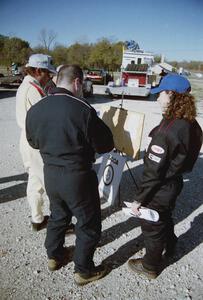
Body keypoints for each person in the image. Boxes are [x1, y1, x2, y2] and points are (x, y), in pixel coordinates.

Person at [26, 65, 114, 285]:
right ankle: (84, 270)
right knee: (88, 222)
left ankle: (54, 256)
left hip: (51, 173)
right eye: (82, 85)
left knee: (58, 215)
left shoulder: (37, 108)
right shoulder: (82, 108)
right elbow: (105, 145)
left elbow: (32, 141)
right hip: (77, 175)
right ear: (77, 83)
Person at [128, 74, 203, 279]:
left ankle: (150, 265)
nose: (158, 97)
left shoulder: (168, 130)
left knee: (152, 227)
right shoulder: (191, 122)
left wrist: (138, 200)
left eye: (160, 93)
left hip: (160, 187)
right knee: (164, 216)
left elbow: (153, 174)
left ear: (171, 94)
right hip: (174, 182)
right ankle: (171, 245)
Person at [16, 53, 56, 231]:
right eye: (48, 73)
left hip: (29, 140)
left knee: (35, 181)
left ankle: (37, 218)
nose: (50, 77)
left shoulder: (30, 86)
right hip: (36, 142)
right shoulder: (32, 89)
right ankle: (58, 222)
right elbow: (43, 119)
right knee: (50, 182)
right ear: (38, 70)